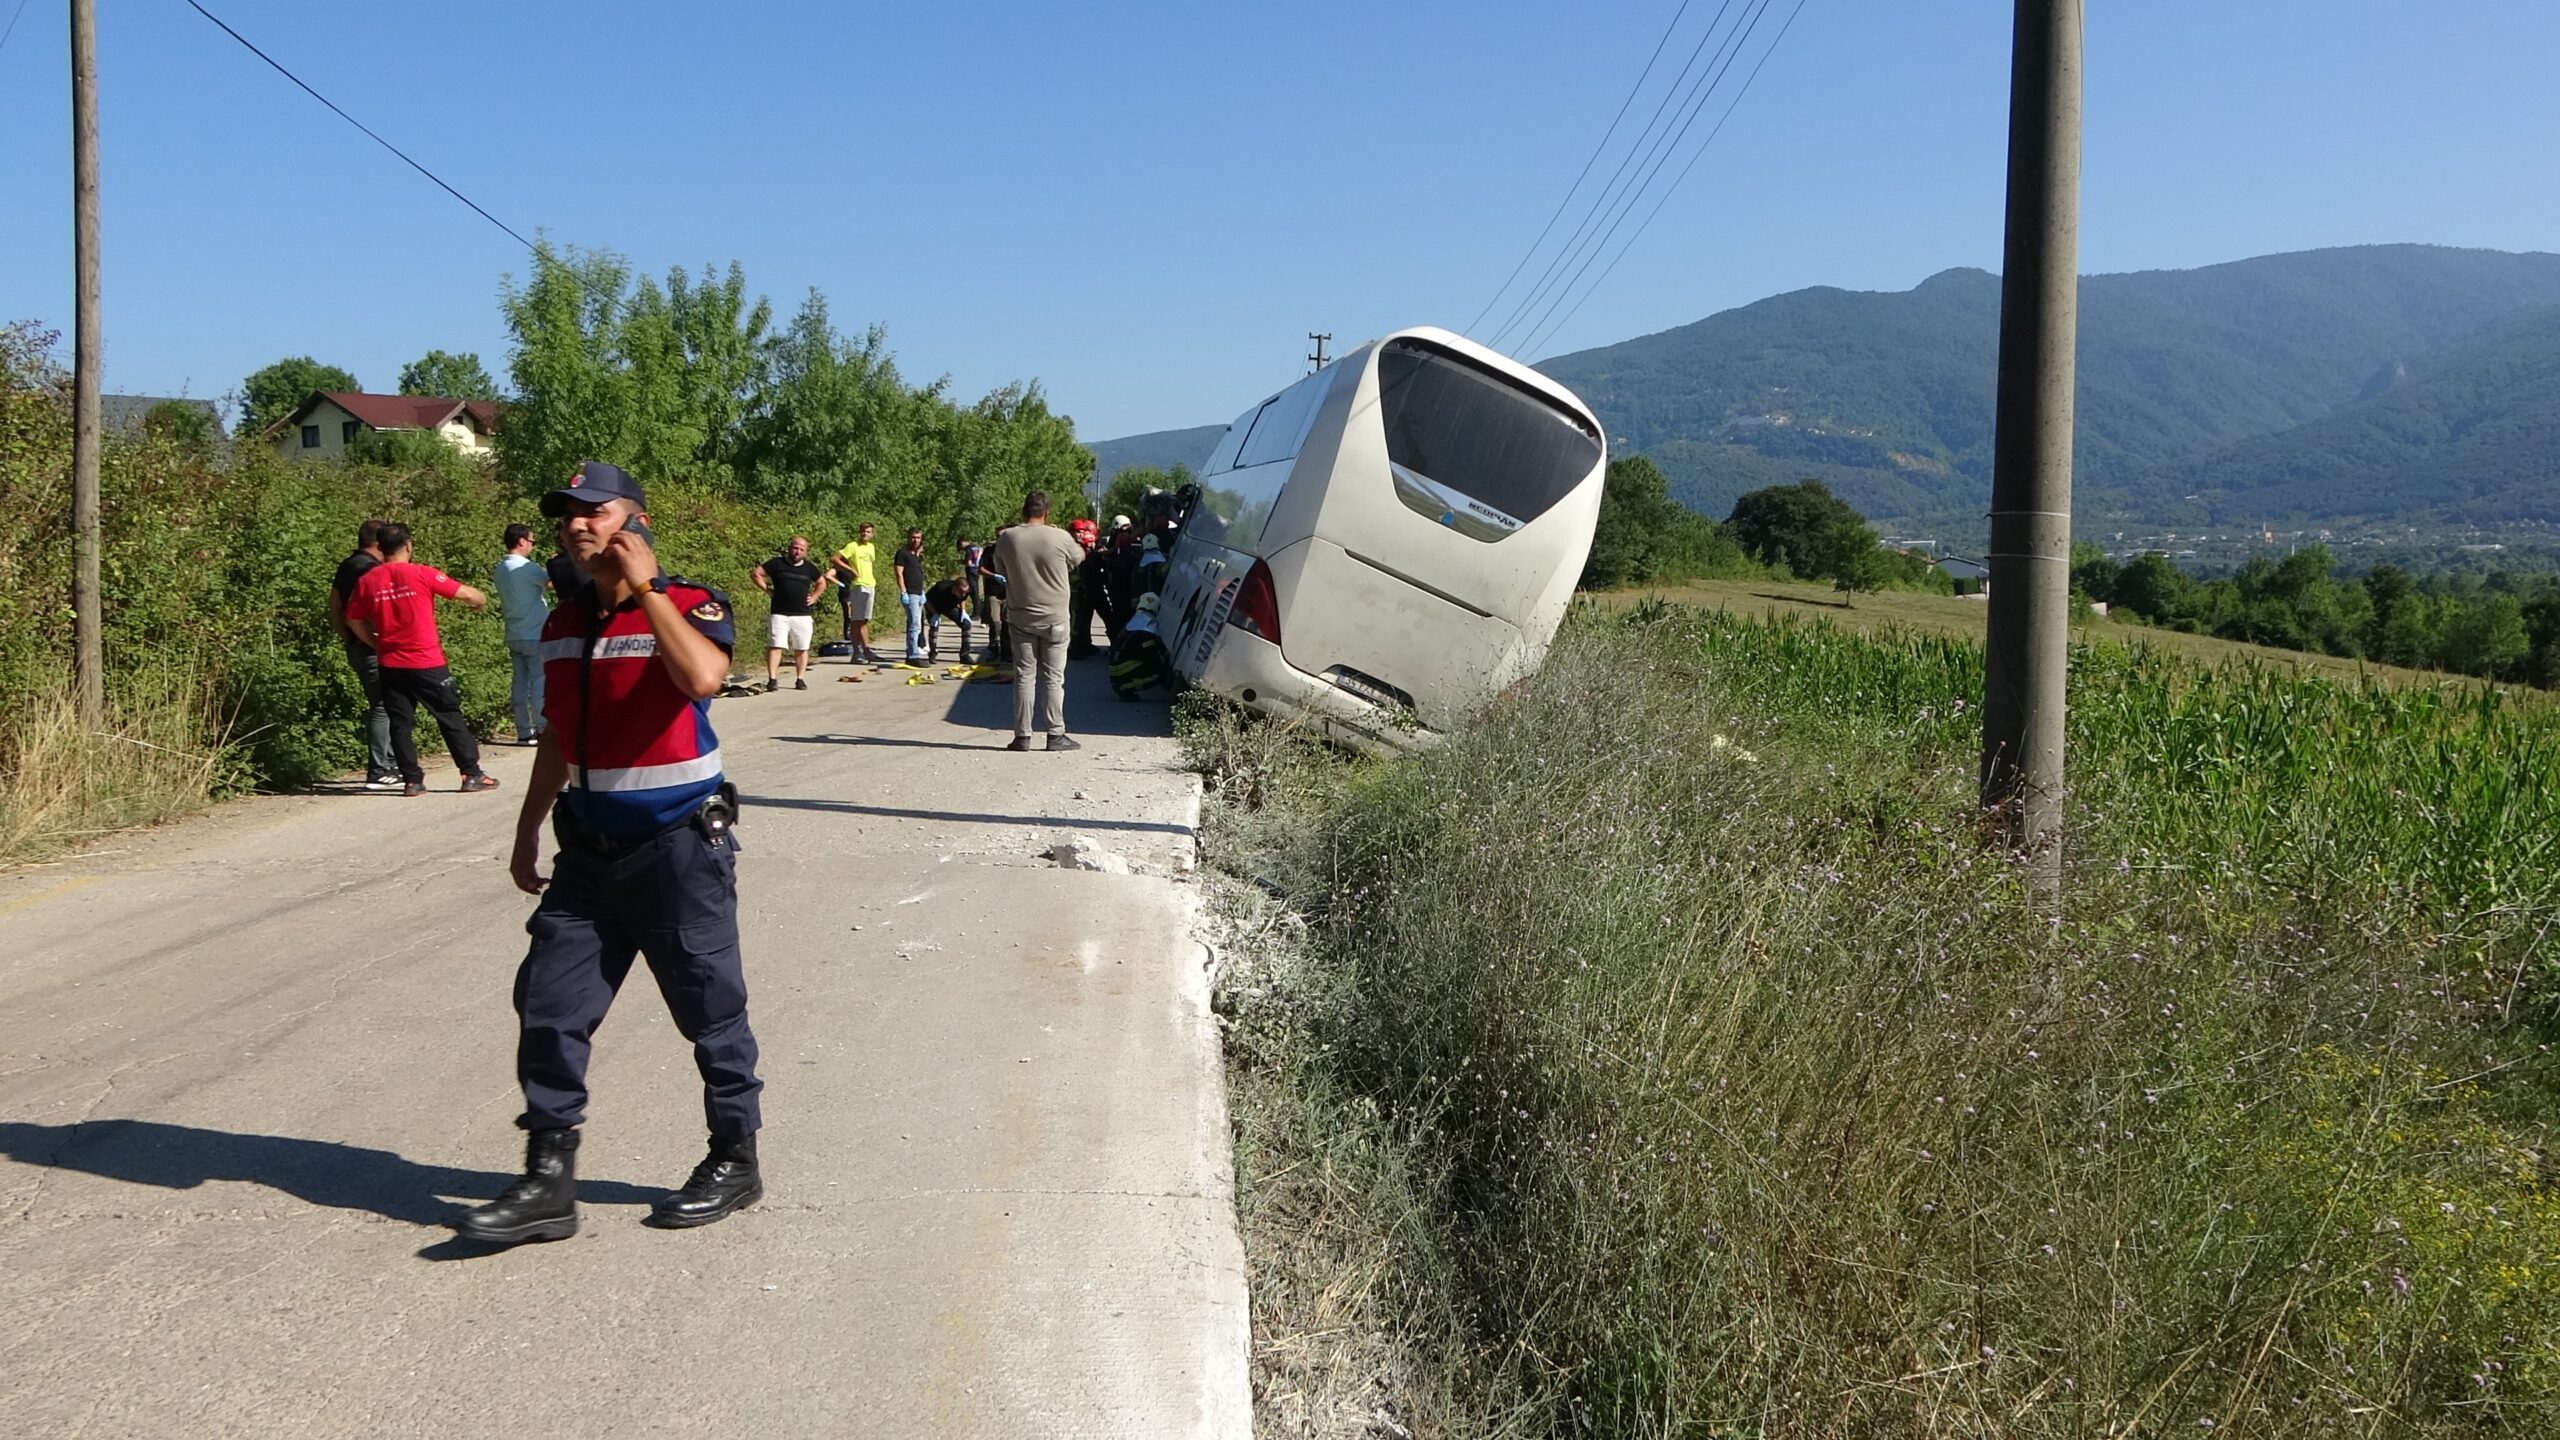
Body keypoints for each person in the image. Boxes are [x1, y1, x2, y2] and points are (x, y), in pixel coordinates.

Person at [456, 460, 766, 1246]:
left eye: (595, 511)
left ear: (634, 524)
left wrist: (651, 590)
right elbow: (560, 733)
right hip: (588, 853)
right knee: (549, 1007)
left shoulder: (692, 604)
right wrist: (527, 826)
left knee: (710, 1009)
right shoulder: (562, 626)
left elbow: (703, 678)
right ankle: (547, 1180)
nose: (576, 525)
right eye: (567, 515)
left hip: (678, 850)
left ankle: (735, 1157)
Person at [344, 522, 497, 797]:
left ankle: (412, 781)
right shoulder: (422, 574)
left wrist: (375, 643)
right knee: (449, 716)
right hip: (427, 662)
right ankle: (471, 774)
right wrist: (480, 600)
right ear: (408, 545)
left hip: (390, 663)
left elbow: (352, 618)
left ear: (380, 547)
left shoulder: (368, 580)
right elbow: (468, 593)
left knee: (400, 723)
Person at [988, 492, 1088, 751]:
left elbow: (999, 568)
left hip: (1021, 616)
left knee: (1024, 677)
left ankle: (1022, 736)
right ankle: (1055, 735)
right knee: (1054, 679)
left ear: (1023, 511)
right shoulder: (1059, 537)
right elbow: (1079, 558)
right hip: (1055, 617)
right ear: (1047, 512)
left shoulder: (1007, 537)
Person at [330, 518, 399, 789]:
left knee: (387, 704)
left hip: (357, 645)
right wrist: (375, 641)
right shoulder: (370, 571)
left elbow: (334, 606)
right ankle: (379, 767)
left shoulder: (347, 566)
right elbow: (369, 611)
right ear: (378, 543)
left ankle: (390, 763)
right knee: (383, 704)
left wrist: (347, 640)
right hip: (373, 647)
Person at [493, 523, 552, 743]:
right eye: (532, 542)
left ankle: (523, 731)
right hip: (534, 631)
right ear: (522, 541)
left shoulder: (500, 568)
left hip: (514, 631)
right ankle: (542, 727)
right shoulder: (527, 568)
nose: (532, 546)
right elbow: (551, 583)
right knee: (538, 681)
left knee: (519, 682)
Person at [752, 536, 828, 691]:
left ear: (806, 552)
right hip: (780, 613)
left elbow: (821, 582)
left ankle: (800, 679)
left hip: (802, 614)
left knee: (802, 647)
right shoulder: (777, 563)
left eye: (801, 549)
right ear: (789, 548)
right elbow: (756, 574)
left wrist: (814, 597)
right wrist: (767, 590)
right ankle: (772, 679)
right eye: (795, 548)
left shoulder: (809, 568)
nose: (797, 552)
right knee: (776, 645)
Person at [1110, 592, 1176, 700]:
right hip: (1122, 668)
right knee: (1158, 674)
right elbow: (1150, 654)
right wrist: (1164, 666)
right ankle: (1124, 687)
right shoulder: (1148, 626)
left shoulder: (1135, 619)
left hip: (1117, 664)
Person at [833, 522, 880, 662]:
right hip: (858, 585)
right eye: (863, 531)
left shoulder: (871, 547)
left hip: (870, 584)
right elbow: (835, 558)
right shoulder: (852, 546)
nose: (865, 534)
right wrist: (850, 570)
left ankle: (866, 650)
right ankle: (856, 652)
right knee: (856, 621)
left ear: (872, 534)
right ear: (859, 532)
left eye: (868, 532)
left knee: (864, 620)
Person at [1068, 517, 1106, 658]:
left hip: (1085, 589)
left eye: (1082, 531)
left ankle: (1084, 644)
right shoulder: (1069, 548)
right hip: (1074, 590)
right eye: (1077, 531)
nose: (1080, 534)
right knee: (1075, 620)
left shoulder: (1084, 548)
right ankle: (1074, 647)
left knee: (1084, 619)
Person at [894, 528, 930, 663]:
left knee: (918, 625)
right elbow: (899, 573)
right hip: (910, 593)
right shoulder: (902, 553)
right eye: (913, 537)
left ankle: (914, 651)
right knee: (914, 625)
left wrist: (922, 592)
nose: (916, 540)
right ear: (908, 538)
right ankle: (912, 655)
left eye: (918, 538)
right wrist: (903, 592)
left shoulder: (916, 555)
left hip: (919, 593)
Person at [924, 574, 975, 662]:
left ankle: (965, 655)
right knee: (934, 626)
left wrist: (963, 611)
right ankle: (932, 653)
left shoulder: (966, 591)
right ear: (954, 588)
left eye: (965, 592)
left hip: (949, 607)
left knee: (966, 624)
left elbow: (963, 599)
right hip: (934, 606)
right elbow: (926, 599)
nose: (963, 594)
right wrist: (934, 613)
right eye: (961, 592)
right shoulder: (941, 587)